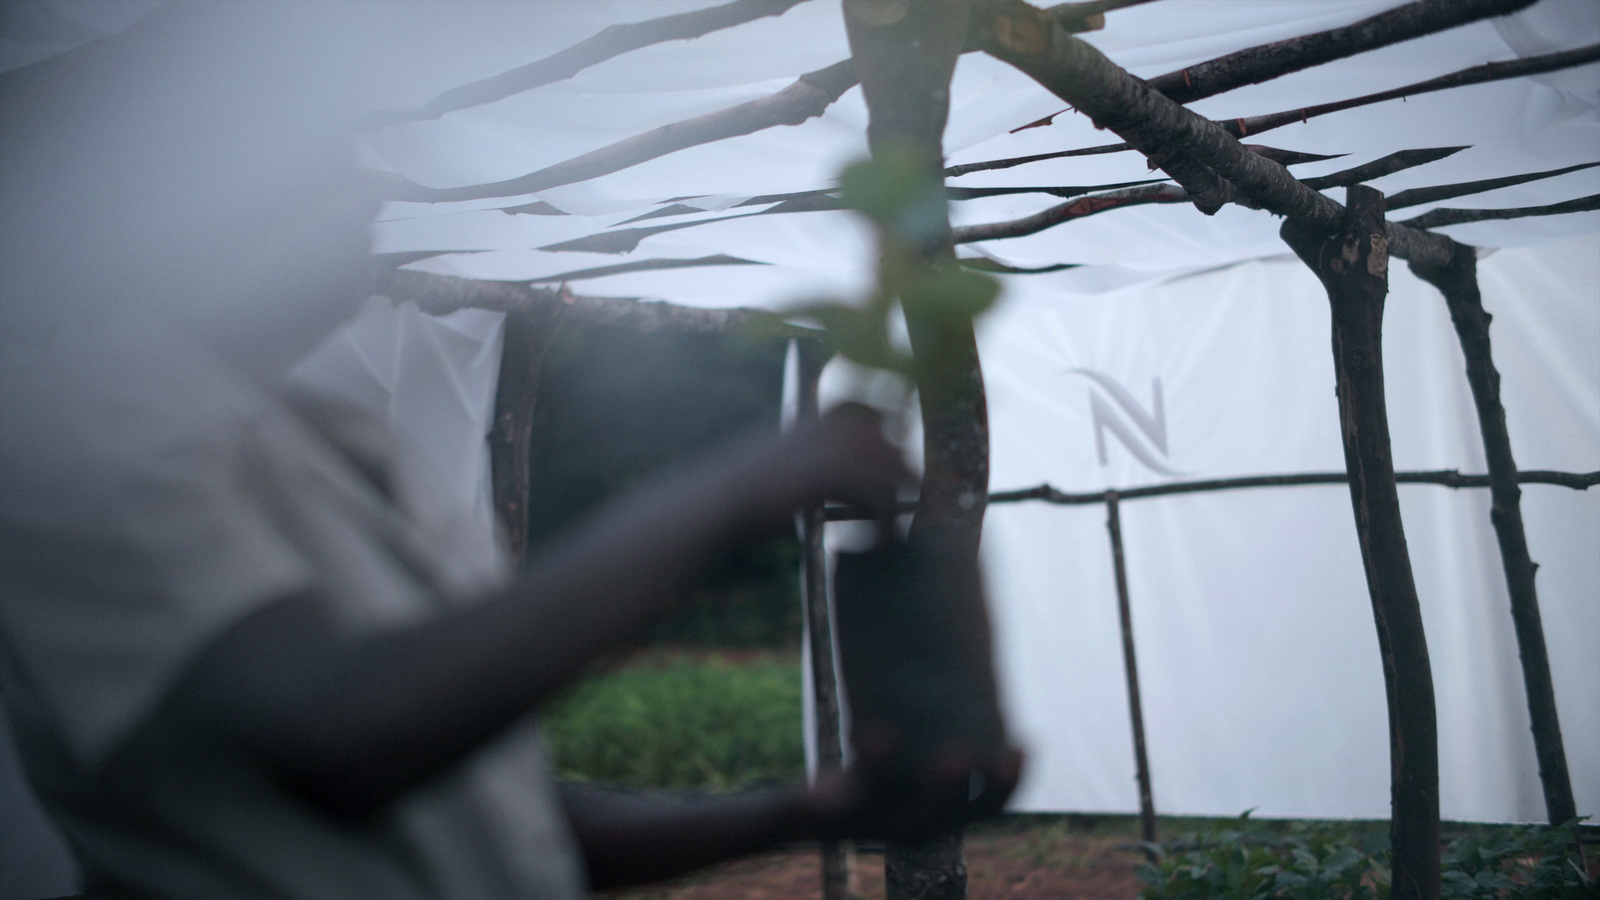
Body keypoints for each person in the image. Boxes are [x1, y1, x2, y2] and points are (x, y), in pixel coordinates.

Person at [0, 4, 1021, 897]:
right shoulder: (70, 424)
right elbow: (340, 738)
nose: (363, 195)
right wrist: (732, 492)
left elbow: (502, 818)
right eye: (311, 164)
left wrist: (801, 813)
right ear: (172, 189)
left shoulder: (338, 440)